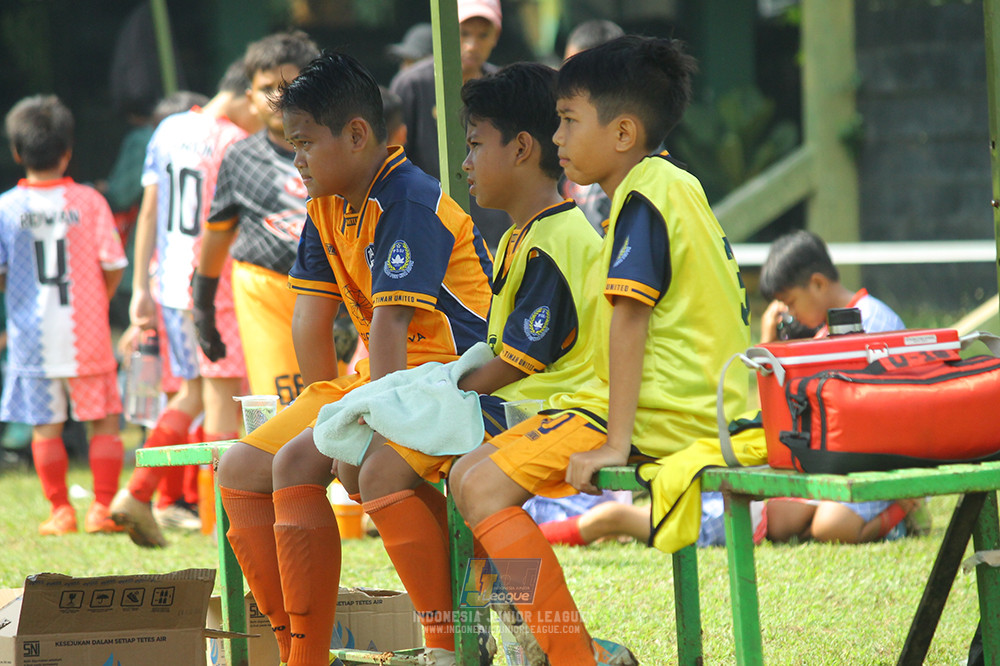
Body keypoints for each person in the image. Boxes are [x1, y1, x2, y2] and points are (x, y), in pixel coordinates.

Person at [449, 36, 752, 664]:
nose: (557, 138)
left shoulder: (645, 193)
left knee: (478, 490)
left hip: (665, 415)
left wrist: (614, 443)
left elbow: (629, 321)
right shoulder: (665, 185)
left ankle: (571, 655)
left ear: (622, 133)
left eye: (567, 120)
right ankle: (534, 640)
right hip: (694, 404)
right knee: (465, 475)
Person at [215, 50, 493, 666]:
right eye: (292, 144)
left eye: (306, 142)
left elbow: (393, 324)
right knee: (241, 470)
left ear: (358, 134)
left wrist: (351, 427)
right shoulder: (325, 203)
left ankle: (447, 644)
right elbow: (309, 319)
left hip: (454, 377)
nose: (298, 158)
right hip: (382, 376)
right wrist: (327, 415)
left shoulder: (409, 199)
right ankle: (300, 652)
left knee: (351, 465)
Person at [349, 62, 602, 662]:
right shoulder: (519, 235)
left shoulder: (557, 241)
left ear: (521, 148)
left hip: (568, 406)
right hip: (525, 404)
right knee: (373, 466)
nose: (464, 163)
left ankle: (550, 646)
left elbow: (515, 361)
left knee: (397, 471)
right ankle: (495, 619)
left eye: (474, 145)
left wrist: (433, 391)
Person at [109, 61, 260, 548]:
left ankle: (138, 492)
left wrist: (140, 289)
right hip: (212, 284)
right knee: (220, 400)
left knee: (191, 396)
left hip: (170, 282)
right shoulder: (236, 141)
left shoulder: (169, 129)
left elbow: (148, 210)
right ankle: (225, 525)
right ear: (245, 95)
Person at [0, 95, 128, 535]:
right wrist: (96, 297)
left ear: (17, 152)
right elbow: (112, 264)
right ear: (67, 150)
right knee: (104, 420)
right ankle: (102, 508)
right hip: (86, 329)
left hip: (32, 334)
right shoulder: (89, 201)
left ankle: (60, 511)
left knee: (44, 426)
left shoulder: (6, 208)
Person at [757, 229, 928, 543]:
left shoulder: (871, 322)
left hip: (880, 461)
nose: (790, 315)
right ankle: (823, 523)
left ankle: (905, 512)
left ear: (818, 284)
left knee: (830, 528)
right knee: (778, 518)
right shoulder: (825, 333)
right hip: (842, 459)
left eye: (791, 303)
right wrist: (768, 342)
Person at [193, 31, 319, 408]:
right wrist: (204, 307)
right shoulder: (239, 158)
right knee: (283, 408)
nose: (278, 97)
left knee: (348, 401)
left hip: (336, 294)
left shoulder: (339, 150)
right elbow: (217, 235)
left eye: (290, 85)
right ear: (249, 97)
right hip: (266, 297)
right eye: (267, 87)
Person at [389, 0, 511, 249]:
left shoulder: (505, 87)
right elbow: (394, 161)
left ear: (496, 36)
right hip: (428, 234)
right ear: (444, 31)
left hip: (494, 237)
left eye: (482, 35)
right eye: (463, 33)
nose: (471, 45)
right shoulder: (412, 84)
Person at [558, 19, 625, 234]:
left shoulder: (635, 155)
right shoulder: (561, 136)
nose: (572, 83)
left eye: (583, 73)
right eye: (568, 70)